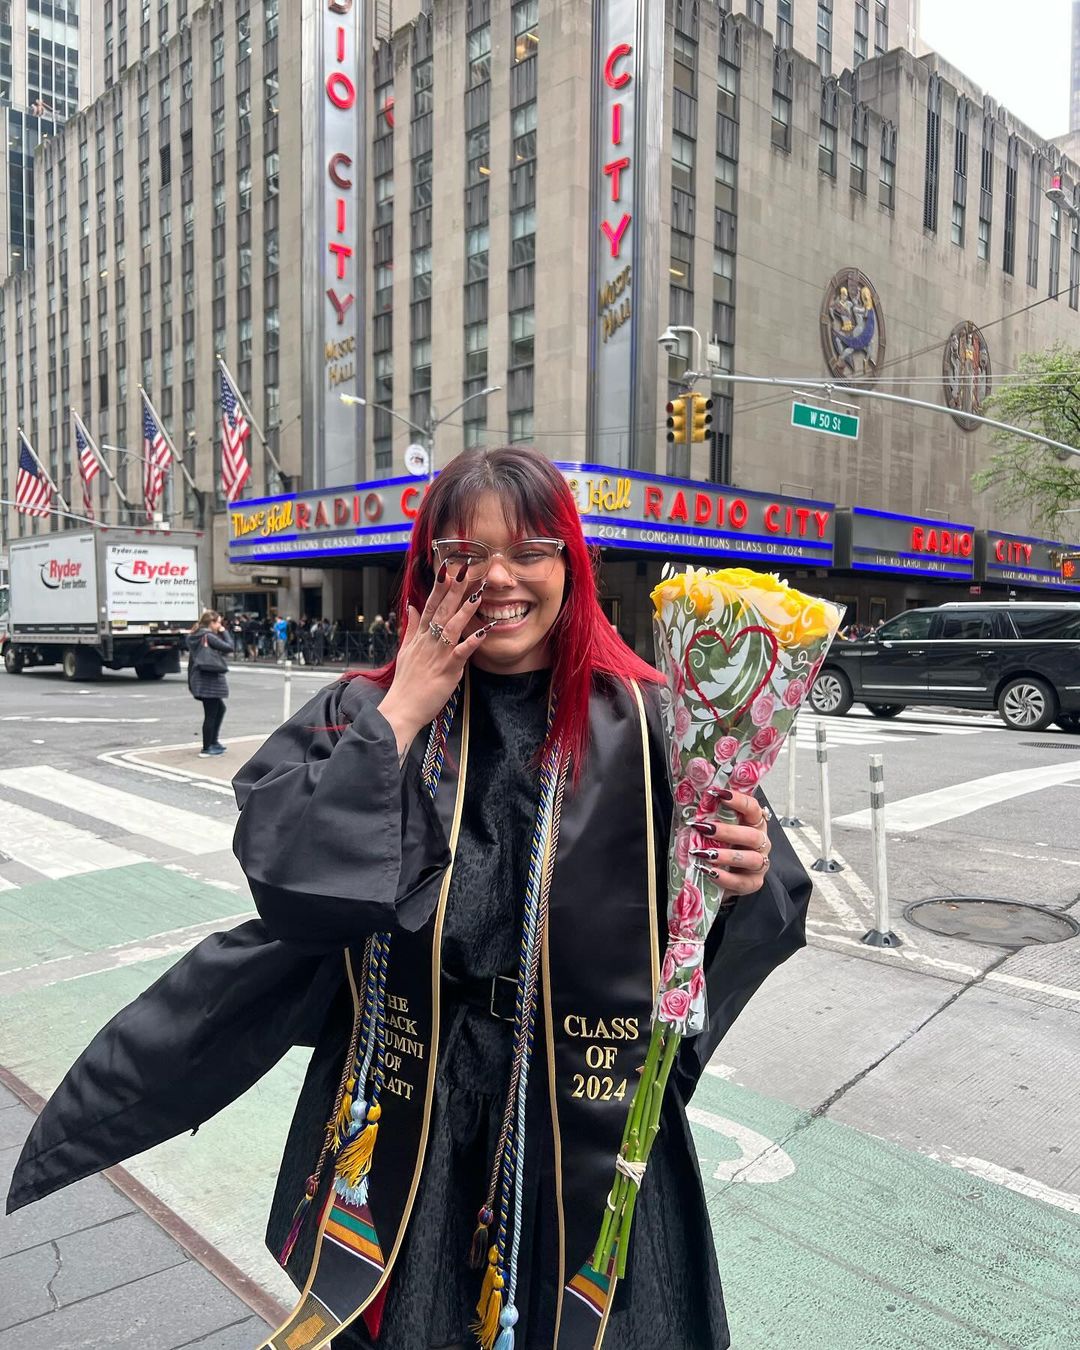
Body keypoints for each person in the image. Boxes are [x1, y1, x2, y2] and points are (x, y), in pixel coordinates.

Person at [7, 447, 811, 1350]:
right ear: (430, 571)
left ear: (570, 566)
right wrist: (402, 713)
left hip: (582, 1108)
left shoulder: (656, 723)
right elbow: (288, 877)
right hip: (417, 1102)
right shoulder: (365, 708)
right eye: (463, 553)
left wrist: (739, 879)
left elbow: (748, 906)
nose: (498, 578)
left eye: (531, 550)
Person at [185, 609, 231, 757]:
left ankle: (213, 742)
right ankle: (207, 747)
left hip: (201, 677)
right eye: (218, 623)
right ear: (211, 623)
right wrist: (225, 632)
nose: (220, 625)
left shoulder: (195, 636)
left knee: (219, 709)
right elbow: (229, 647)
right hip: (208, 679)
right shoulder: (208, 636)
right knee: (211, 713)